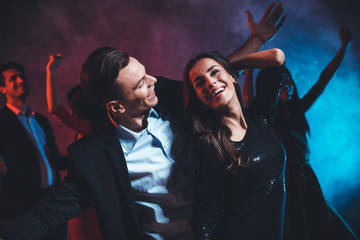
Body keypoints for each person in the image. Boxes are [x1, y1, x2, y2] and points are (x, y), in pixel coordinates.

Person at [0, 3, 286, 239]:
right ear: (115, 106)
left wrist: (256, 41)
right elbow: (49, 212)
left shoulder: (169, 99)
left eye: (146, 73)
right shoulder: (94, 157)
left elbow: (212, 77)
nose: (153, 81)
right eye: (140, 83)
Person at [245, 24, 357, 240]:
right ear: (270, 88)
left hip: (306, 177)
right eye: (279, 81)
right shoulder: (266, 117)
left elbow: (323, 80)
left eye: (287, 79)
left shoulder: (298, 110)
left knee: (324, 226)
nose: (286, 84)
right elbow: (249, 100)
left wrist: (344, 47)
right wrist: (249, 66)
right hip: (286, 181)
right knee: (297, 228)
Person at [183, 48, 286, 240]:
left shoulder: (260, 118)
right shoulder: (210, 144)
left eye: (214, 73)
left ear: (233, 77)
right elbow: (202, 219)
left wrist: (230, 67)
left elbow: (277, 57)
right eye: (200, 83)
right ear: (199, 98)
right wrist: (223, 71)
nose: (210, 83)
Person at [0, 62, 67, 239]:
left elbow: (55, 160)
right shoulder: (2, 122)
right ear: (2, 89)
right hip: (24, 210)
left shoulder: (41, 120)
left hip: (53, 202)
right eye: (13, 79)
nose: (20, 80)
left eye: (21, 76)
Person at [46, 54, 105, 240]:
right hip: (98, 198)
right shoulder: (102, 127)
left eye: (72, 107)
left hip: (86, 202)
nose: (70, 111)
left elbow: (55, 109)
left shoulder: (85, 127)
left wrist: (51, 72)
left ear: (80, 108)